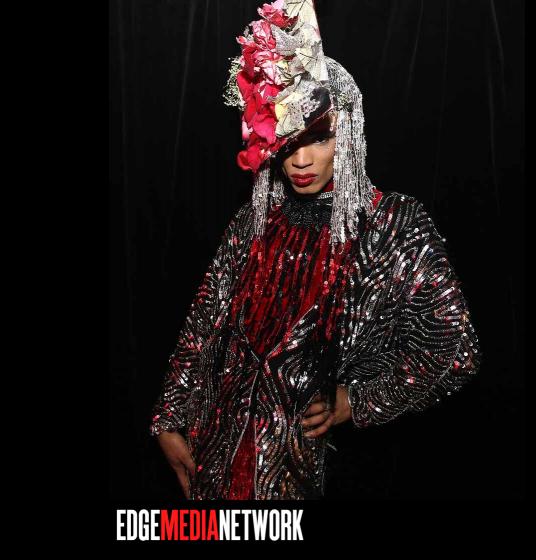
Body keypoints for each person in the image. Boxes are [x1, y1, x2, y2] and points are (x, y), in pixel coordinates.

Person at [149, 0, 481, 500]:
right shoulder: (254, 220)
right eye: (287, 139)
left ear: (348, 134)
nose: (300, 160)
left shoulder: (392, 224)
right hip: (219, 457)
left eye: (319, 138)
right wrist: (169, 418)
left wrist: (358, 400)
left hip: (316, 472)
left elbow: (455, 348)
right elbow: (202, 326)